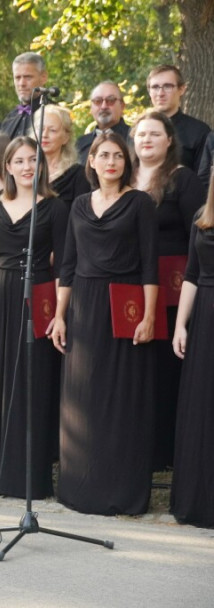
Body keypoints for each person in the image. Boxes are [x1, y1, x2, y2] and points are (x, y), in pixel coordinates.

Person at [51, 133, 157, 515]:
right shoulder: (79, 204)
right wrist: (59, 315)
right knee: (83, 398)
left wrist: (148, 315)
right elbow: (67, 264)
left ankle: (121, 493)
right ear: (91, 161)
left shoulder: (140, 202)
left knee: (120, 399)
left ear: (126, 163)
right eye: (104, 155)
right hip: (83, 306)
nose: (111, 161)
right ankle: (80, 489)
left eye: (118, 156)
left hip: (123, 307)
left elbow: (150, 263)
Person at [0, 136, 68, 499]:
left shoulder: (55, 208)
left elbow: (63, 266)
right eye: (19, 160)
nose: (26, 167)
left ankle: (26, 479)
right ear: (6, 166)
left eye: (33, 160)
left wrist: (60, 313)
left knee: (29, 382)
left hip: (35, 296)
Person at [131, 110, 206, 470]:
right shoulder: (123, 176)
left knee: (164, 368)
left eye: (154, 134)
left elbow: (199, 237)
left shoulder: (182, 178)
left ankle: (164, 452)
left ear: (170, 140)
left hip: (172, 289)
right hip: (130, 284)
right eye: (141, 134)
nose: (146, 140)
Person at [170, 178, 214, 528]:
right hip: (204, 320)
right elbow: (192, 274)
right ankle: (197, 500)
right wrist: (180, 325)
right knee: (201, 405)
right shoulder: (202, 215)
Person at [146, 65, 211, 172]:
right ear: (149, 91)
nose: (160, 93)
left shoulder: (200, 132)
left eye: (167, 86)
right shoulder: (138, 132)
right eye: (155, 87)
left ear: (181, 89)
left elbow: (204, 178)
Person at [40, 105, 91, 206]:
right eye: (41, 129)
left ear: (66, 137)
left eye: (52, 130)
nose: (44, 135)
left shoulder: (79, 175)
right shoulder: (26, 170)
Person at [76, 81, 130, 164]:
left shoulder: (135, 139)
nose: (104, 106)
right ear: (91, 108)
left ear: (122, 106)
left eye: (110, 100)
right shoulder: (80, 144)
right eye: (98, 101)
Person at [0, 52, 49, 139]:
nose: (22, 83)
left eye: (28, 77)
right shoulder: (10, 118)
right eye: (17, 78)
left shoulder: (54, 115)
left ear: (43, 77)